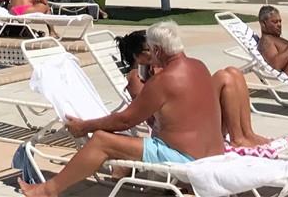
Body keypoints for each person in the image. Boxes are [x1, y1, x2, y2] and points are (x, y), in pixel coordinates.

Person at [15, 21, 224, 197]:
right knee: (117, 138)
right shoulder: (199, 66)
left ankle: (47, 191)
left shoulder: (163, 81)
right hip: (214, 151)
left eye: (151, 51)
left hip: (183, 157)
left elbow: (125, 121)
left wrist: (84, 127)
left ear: (158, 50)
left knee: (101, 141)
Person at [118, 29, 272, 150]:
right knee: (224, 78)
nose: (155, 52)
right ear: (136, 56)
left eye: (155, 48)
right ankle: (237, 138)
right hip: (183, 129)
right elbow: (151, 115)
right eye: (149, 49)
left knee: (233, 72)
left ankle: (247, 134)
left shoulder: (156, 69)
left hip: (192, 120)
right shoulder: (135, 77)